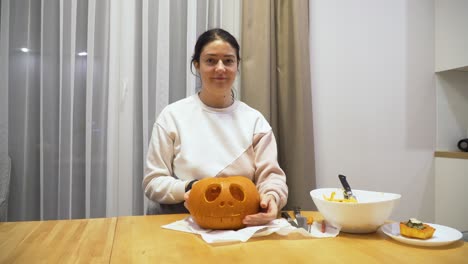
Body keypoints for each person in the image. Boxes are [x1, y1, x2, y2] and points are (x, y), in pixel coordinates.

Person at [143, 28, 288, 226]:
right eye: (210, 61)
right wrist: (190, 188)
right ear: (197, 65)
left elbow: (271, 177)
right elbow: (153, 182)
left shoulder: (255, 121)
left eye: (228, 61)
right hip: (183, 221)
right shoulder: (172, 116)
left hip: (242, 224)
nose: (220, 68)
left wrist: (272, 197)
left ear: (237, 66)